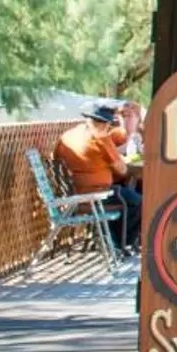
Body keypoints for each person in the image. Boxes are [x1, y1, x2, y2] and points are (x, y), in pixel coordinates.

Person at [54, 101, 140, 247]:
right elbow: (123, 170)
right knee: (138, 202)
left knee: (126, 194)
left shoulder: (67, 136)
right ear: (105, 123)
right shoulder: (100, 138)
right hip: (95, 196)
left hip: (70, 195)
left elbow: (56, 158)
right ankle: (120, 243)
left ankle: (110, 239)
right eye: (107, 124)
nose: (107, 127)